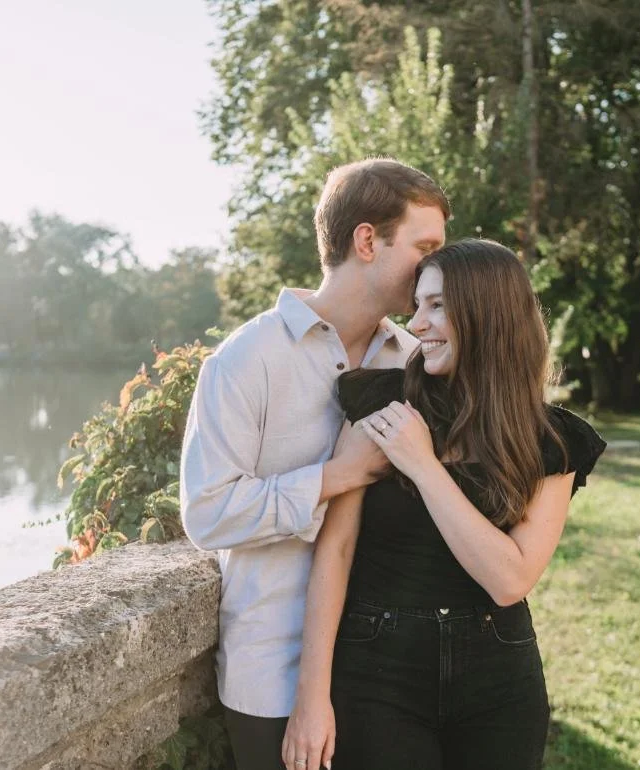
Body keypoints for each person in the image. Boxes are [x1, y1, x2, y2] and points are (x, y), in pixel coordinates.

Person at [281, 239, 607, 770]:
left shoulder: (552, 442)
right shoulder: (382, 404)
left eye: (437, 306)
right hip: (375, 670)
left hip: (498, 679)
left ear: (487, 313)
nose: (417, 325)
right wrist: (311, 698)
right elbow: (335, 552)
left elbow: (509, 580)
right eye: (417, 306)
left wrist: (424, 466)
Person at [179, 158, 450, 770]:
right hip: (272, 671)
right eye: (424, 245)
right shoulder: (246, 360)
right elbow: (207, 513)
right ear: (366, 241)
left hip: (389, 669)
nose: (436, 266)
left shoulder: (415, 360)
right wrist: (339, 475)